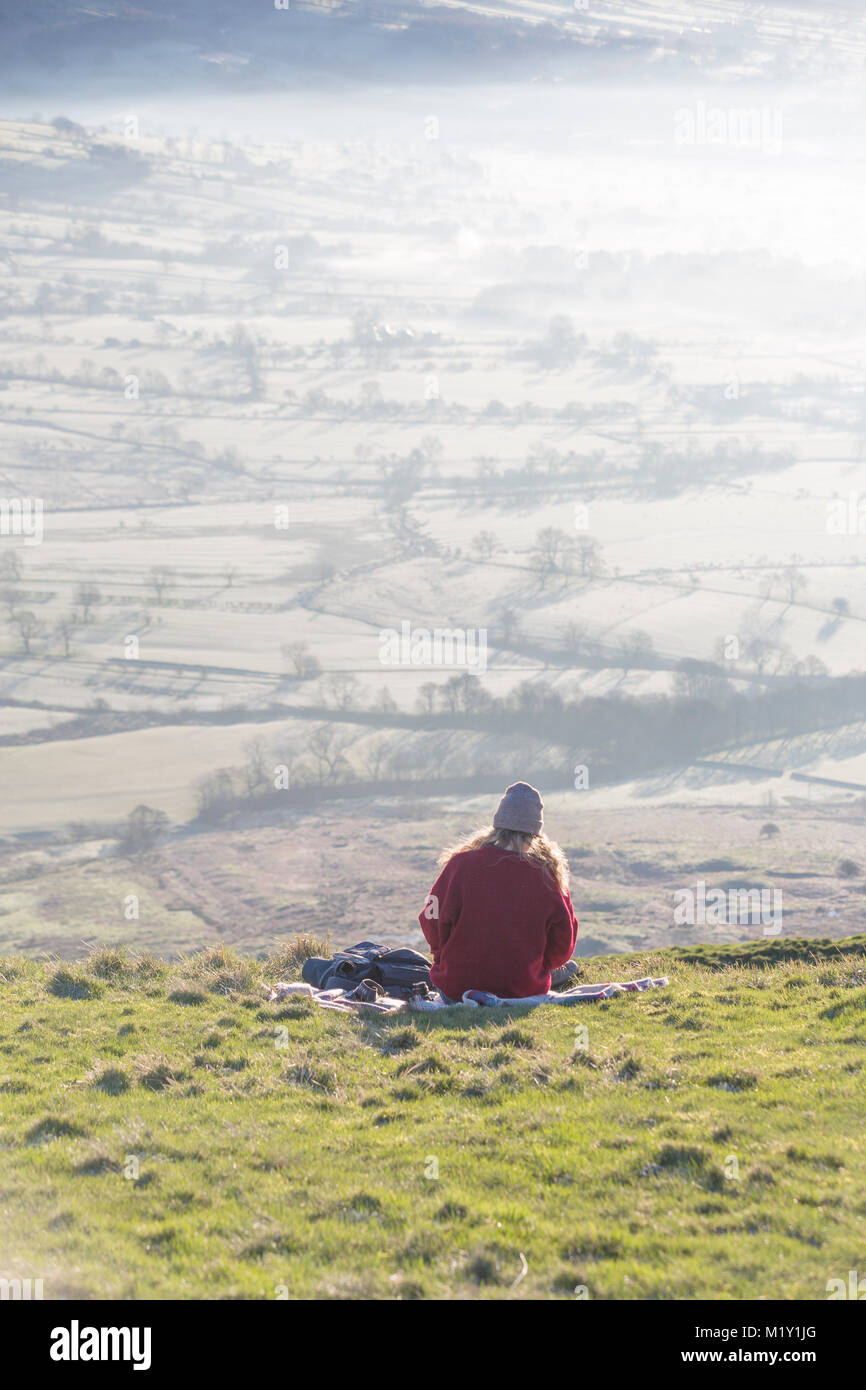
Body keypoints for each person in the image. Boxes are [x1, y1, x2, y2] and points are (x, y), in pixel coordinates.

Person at [418, 782, 578, 1002]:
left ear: (498, 823)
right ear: (536, 831)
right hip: (524, 990)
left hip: (457, 988)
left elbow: (431, 916)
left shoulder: (461, 865)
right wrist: (534, 967)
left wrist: (442, 955)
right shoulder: (549, 876)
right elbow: (562, 947)